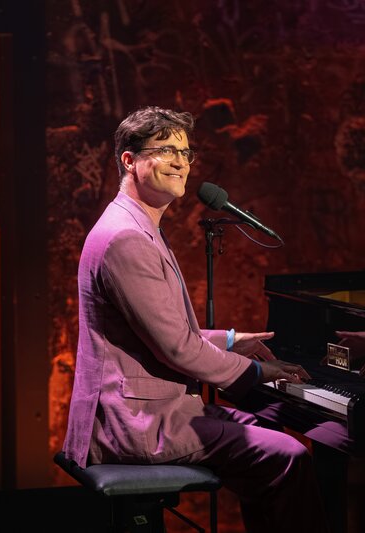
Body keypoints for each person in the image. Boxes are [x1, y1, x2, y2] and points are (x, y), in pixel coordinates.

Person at [62, 106, 330, 532]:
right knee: (287, 456)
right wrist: (256, 371)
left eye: (186, 152)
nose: (181, 163)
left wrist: (230, 340)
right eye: (166, 150)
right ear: (129, 160)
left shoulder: (136, 226)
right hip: (138, 424)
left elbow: (156, 330)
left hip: (150, 412)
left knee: (268, 431)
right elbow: (175, 348)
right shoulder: (126, 238)